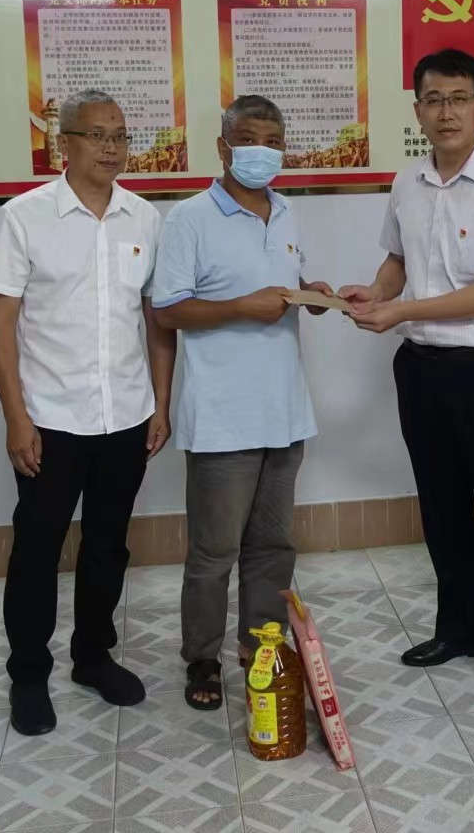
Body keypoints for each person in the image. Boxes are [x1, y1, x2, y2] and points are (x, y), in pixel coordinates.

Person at [340, 48, 474, 701]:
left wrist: (401, 309)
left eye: (459, 98)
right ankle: (458, 627)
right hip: (421, 371)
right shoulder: (408, 182)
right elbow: (398, 261)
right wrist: (376, 293)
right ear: (418, 110)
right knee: (442, 508)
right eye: (434, 99)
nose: (446, 111)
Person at [0, 90, 175, 737]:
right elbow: (0, 324)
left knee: (107, 547)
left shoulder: (143, 218)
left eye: (120, 136)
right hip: (51, 419)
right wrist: (16, 417)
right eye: (96, 135)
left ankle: (93, 656)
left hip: (126, 415)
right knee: (37, 550)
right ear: (63, 143)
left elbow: (156, 322)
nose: (111, 148)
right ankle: (28, 675)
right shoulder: (25, 217)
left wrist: (161, 403)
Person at [151, 95, 336, 711]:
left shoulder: (285, 212)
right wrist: (240, 307)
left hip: (284, 412)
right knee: (214, 552)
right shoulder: (189, 218)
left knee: (273, 546)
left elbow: (282, 285)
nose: (262, 151)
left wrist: (311, 294)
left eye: (273, 140)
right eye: (249, 139)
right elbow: (167, 309)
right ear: (223, 147)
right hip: (222, 417)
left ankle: (262, 644)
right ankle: (201, 658)